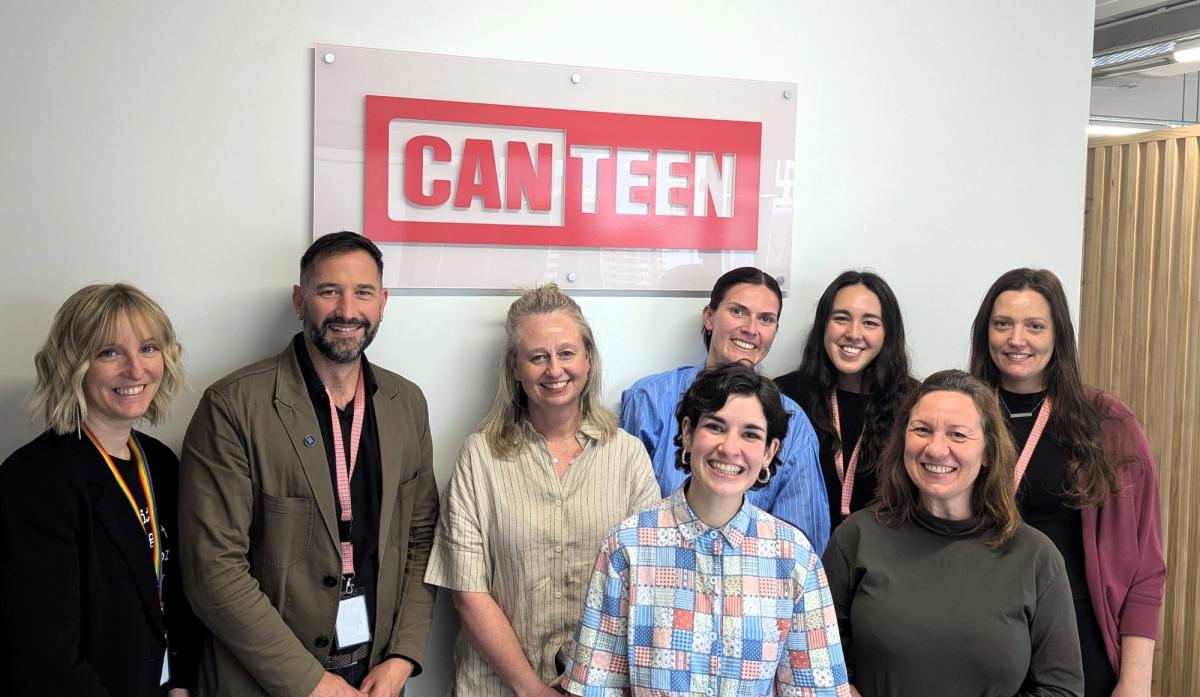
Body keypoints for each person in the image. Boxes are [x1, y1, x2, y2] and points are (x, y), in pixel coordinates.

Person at [178, 232, 439, 697]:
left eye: (363, 292)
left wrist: (403, 655)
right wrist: (312, 683)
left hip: (375, 674)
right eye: (328, 291)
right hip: (267, 681)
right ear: (299, 301)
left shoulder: (407, 403)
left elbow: (422, 538)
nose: (347, 310)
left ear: (383, 302)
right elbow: (213, 572)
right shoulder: (233, 406)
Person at [425, 285, 660, 696]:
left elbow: (648, 584)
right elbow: (467, 593)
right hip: (495, 687)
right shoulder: (479, 458)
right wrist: (530, 688)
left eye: (567, 353)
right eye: (538, 357)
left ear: (588, 358)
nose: (555, 370)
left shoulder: (628, 457)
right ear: (515, 369)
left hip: (600, 687)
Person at [565, 364, 851, 696]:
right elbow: (595, 688)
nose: (730, 448)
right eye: (715, 426)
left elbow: (816, 691)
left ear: (769, 452)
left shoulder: (794, 558)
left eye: (750, 434)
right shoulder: (627, 547)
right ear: (688, 432)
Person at [823, 369, 1083, 697]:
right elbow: (819, 665)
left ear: (988, 452)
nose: (935, 449)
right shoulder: (856, 538)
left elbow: (1061, 689)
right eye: (922, 430)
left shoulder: (1036, 557)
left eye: (958, 435)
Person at [969, 268, 1165, 697]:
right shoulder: (962, 416)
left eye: (1034, 326)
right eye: (1002, 324)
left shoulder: (1107, 422)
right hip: (978, 628)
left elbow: (1146, 570)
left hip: (1078, 633)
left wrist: (1135, 681)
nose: (1016, 339)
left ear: (1059, 335)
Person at [0, 283, 200, 695]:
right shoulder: (34, 481)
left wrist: (181, 683)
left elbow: (176, 597)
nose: (136, 369)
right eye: (109, 352)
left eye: (148, 348)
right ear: (73, 364)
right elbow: (46, 653)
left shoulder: (161, 463)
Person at [620, 267, 830, 553]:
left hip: (756, 587)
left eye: (766, 319)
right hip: (658, 580)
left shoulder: (792, 423)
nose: (751, 329)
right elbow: (629, 523)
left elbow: (804, 547)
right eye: (738, 311)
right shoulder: (649, 401)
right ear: (709, 317)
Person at [775, 271, 916, 528]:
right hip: (800, 554)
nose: (853, 333)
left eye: (870, 323)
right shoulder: (783, 396)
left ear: (888, 334)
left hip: (882, 559)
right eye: (841, 318)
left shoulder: (914, 403)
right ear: (823, 326)